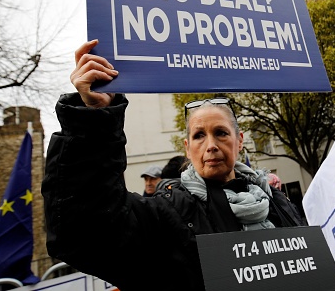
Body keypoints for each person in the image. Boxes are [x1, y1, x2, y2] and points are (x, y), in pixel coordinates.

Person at [41, 40, 305, 290]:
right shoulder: (169, 212)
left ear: (239, 142)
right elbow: (85, 233)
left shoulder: (276, 201)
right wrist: (94, 121)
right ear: (187, 149)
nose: (211, 145)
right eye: (199, 135)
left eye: (221, 133)